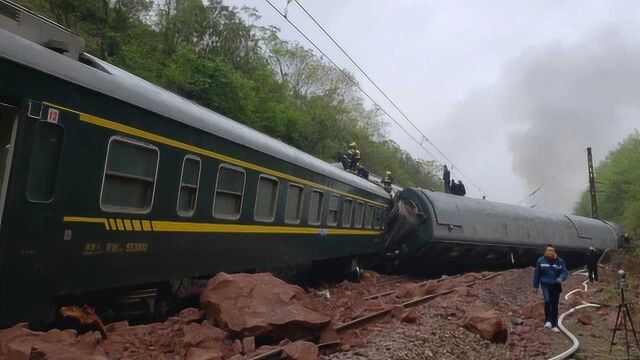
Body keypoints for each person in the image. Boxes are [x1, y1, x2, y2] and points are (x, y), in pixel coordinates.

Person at [533, 244, 568, 333]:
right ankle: (548, 320)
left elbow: (564, 271)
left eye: (552, 250)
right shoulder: (540, 260)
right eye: (549, 250)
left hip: (556, 285)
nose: (550, 252)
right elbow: (537, 273)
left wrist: (561, 278)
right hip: (545, 284)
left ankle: (554, 324)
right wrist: (535, 286)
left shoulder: (559, 261)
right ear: (545, 251)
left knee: (554, 305)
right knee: (547, 301)